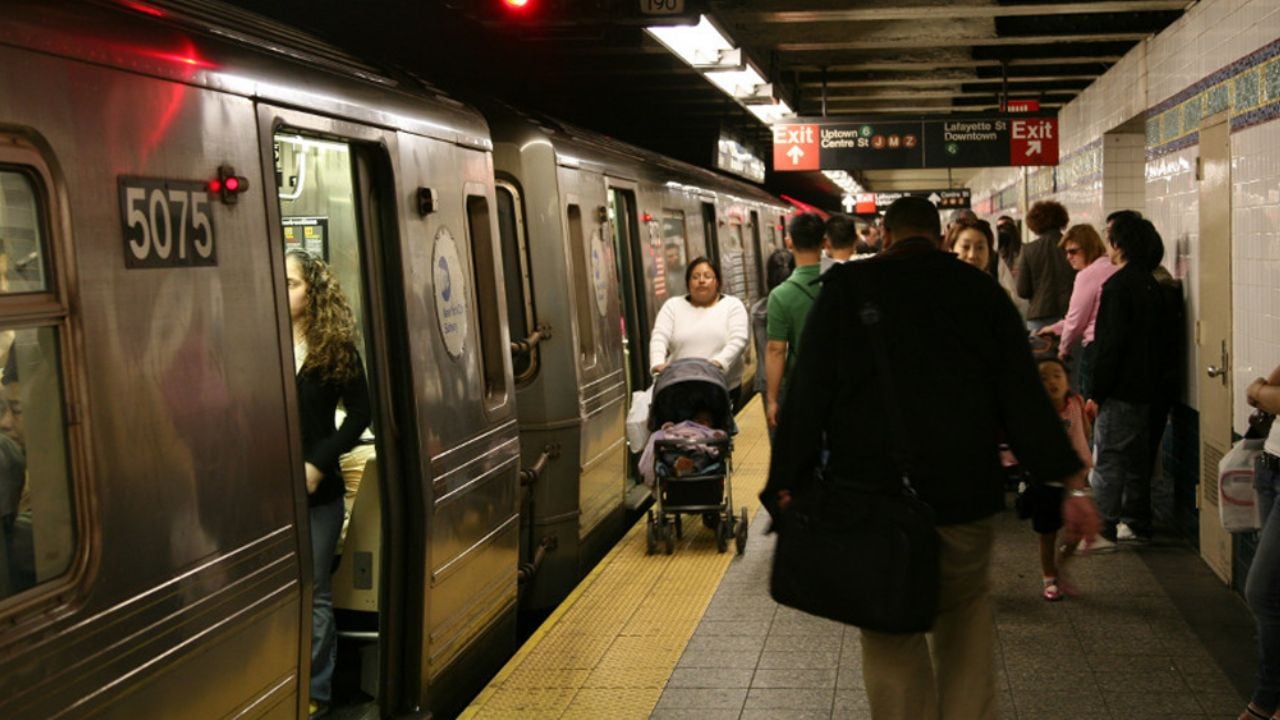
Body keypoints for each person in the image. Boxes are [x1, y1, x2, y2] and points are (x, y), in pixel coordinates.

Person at [764, 196, 1097, 719]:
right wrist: (1067, 483)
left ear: (887, 238)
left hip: (873, 498)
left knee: (889, 633)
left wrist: (786, 481)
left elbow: (807, 396)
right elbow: (1023, 397)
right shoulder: (980, 292)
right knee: (964, 622)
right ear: (942, 238)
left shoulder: (847, 290)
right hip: (963, 495)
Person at [286, 248, 372, 719]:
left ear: (313, 292)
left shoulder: (333, 347)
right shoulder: (261, 342)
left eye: (292, 284)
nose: (283, 293)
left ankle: (316, 691)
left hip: (320, 493)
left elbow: (361, 412)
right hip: (270, 489)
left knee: (316, 589)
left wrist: (320, 461)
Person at [1086, 216, 1167, 545]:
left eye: (1110, 240)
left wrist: (1097, 391)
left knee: (1109, 459)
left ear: (1120, 245)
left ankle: (1103, 527)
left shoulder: (1118, 286)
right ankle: (1137, 523)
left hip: (1120, 388)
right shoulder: (1152, 284)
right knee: (1137, 461)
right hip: (1149, 387)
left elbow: (1110, 345)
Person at [1022, 357, 1092, 601]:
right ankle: (1049, 578)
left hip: (1075, 479)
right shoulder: (1034, 410)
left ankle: (1061, 566)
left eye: (1057, 375)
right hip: (1047, 482)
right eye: (1043, 377)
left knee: (1076, 531)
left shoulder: (1076, 403)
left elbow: (1085, 431)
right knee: (1048, 533)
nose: (1051, 381)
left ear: (1067, 380)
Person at [648, 257, 750, 402]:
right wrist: (657, 363)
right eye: (695, 277)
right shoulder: (672, 306)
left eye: (707, 276)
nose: (701, 281)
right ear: (688, 283)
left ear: (717, 281)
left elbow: (739, 339)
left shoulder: (732, 305)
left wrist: (718, 364)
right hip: (680, 388)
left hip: (722, 389)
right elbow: (659, 336)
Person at [1037, 224, 1117, 398]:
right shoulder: (1112, 266)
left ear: (1088, 247)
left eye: (1073, 251)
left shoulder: (1088, 274)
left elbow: (1076, 320)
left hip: (1095, 347)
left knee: (1090, 402)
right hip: (1115, 346)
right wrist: (1055, 328)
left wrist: (1063, 350)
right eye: (1066, 252)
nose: (1068, 257)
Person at [765, 212, 825, 433]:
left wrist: (772, 400)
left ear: (789, 241)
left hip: (803, 387)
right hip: (843, 385)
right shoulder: (843, 283)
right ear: (824, 241)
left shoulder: (781, 295)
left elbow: (776, 351)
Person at [1244, 365, 1280, 720]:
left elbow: (1264, 391)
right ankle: (1267, 701)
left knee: (1262, 591)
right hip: (1271, 468)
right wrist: (1261, 392)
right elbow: (1271, 384)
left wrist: (1258, 392)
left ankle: (1266, 699)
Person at [1017, 200, 1076, 332]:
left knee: (1042, 352)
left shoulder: (1029, 250)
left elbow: (1022, 290)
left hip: (1039, 316)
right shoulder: (1073, 247)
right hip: (1069, 313)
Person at [751, 249, 794, 422]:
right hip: (796, 378)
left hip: (767, 380)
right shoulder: (804, 301)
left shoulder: (758, 311)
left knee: (778, 441)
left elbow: (771, 350)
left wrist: (771, 399)